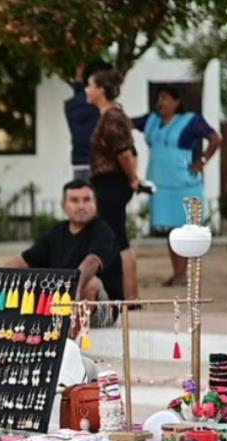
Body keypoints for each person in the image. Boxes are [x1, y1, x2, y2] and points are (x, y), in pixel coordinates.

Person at [133, 85, 223, 286]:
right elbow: (127, 123)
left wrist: (201, 161)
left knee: (184, 231)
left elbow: (215, 138)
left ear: (177, 102)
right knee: (171, 232)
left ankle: (183, 274)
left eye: (165, 98)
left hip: (184, 184)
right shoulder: (152, 121)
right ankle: (177, 272)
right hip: (161, 184)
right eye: (159, 99)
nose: (161, 103)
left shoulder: (190, 121)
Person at [6, 180, 123, 326]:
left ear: (95, 203)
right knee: (20, 282)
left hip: (102, 310)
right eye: (74, 200)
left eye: (86, 200)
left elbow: (91, 262)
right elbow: (23, 261)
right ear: (63, 206)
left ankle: (72, 336)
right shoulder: (56, 232)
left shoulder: (103, 232)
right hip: (62, 303)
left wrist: (76, 288)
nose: (81, 206)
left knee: (91, 283)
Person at [87, 69, 143, 301]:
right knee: (115, 236)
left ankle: (130, 297)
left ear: (101, 90)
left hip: (111, 182)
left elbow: (124, 152)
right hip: (108, 181)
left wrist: (132, 178)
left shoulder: (111, 117)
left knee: (118, 238)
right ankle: (126, 295)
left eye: (90, 85)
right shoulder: (113, 115)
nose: (86, 90)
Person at [64, 61, 111, 181]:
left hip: (78, 162)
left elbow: (80, 93)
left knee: (81, 197)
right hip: (100, 164)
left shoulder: (72, 106)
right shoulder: (100, 106)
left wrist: (79, 76)